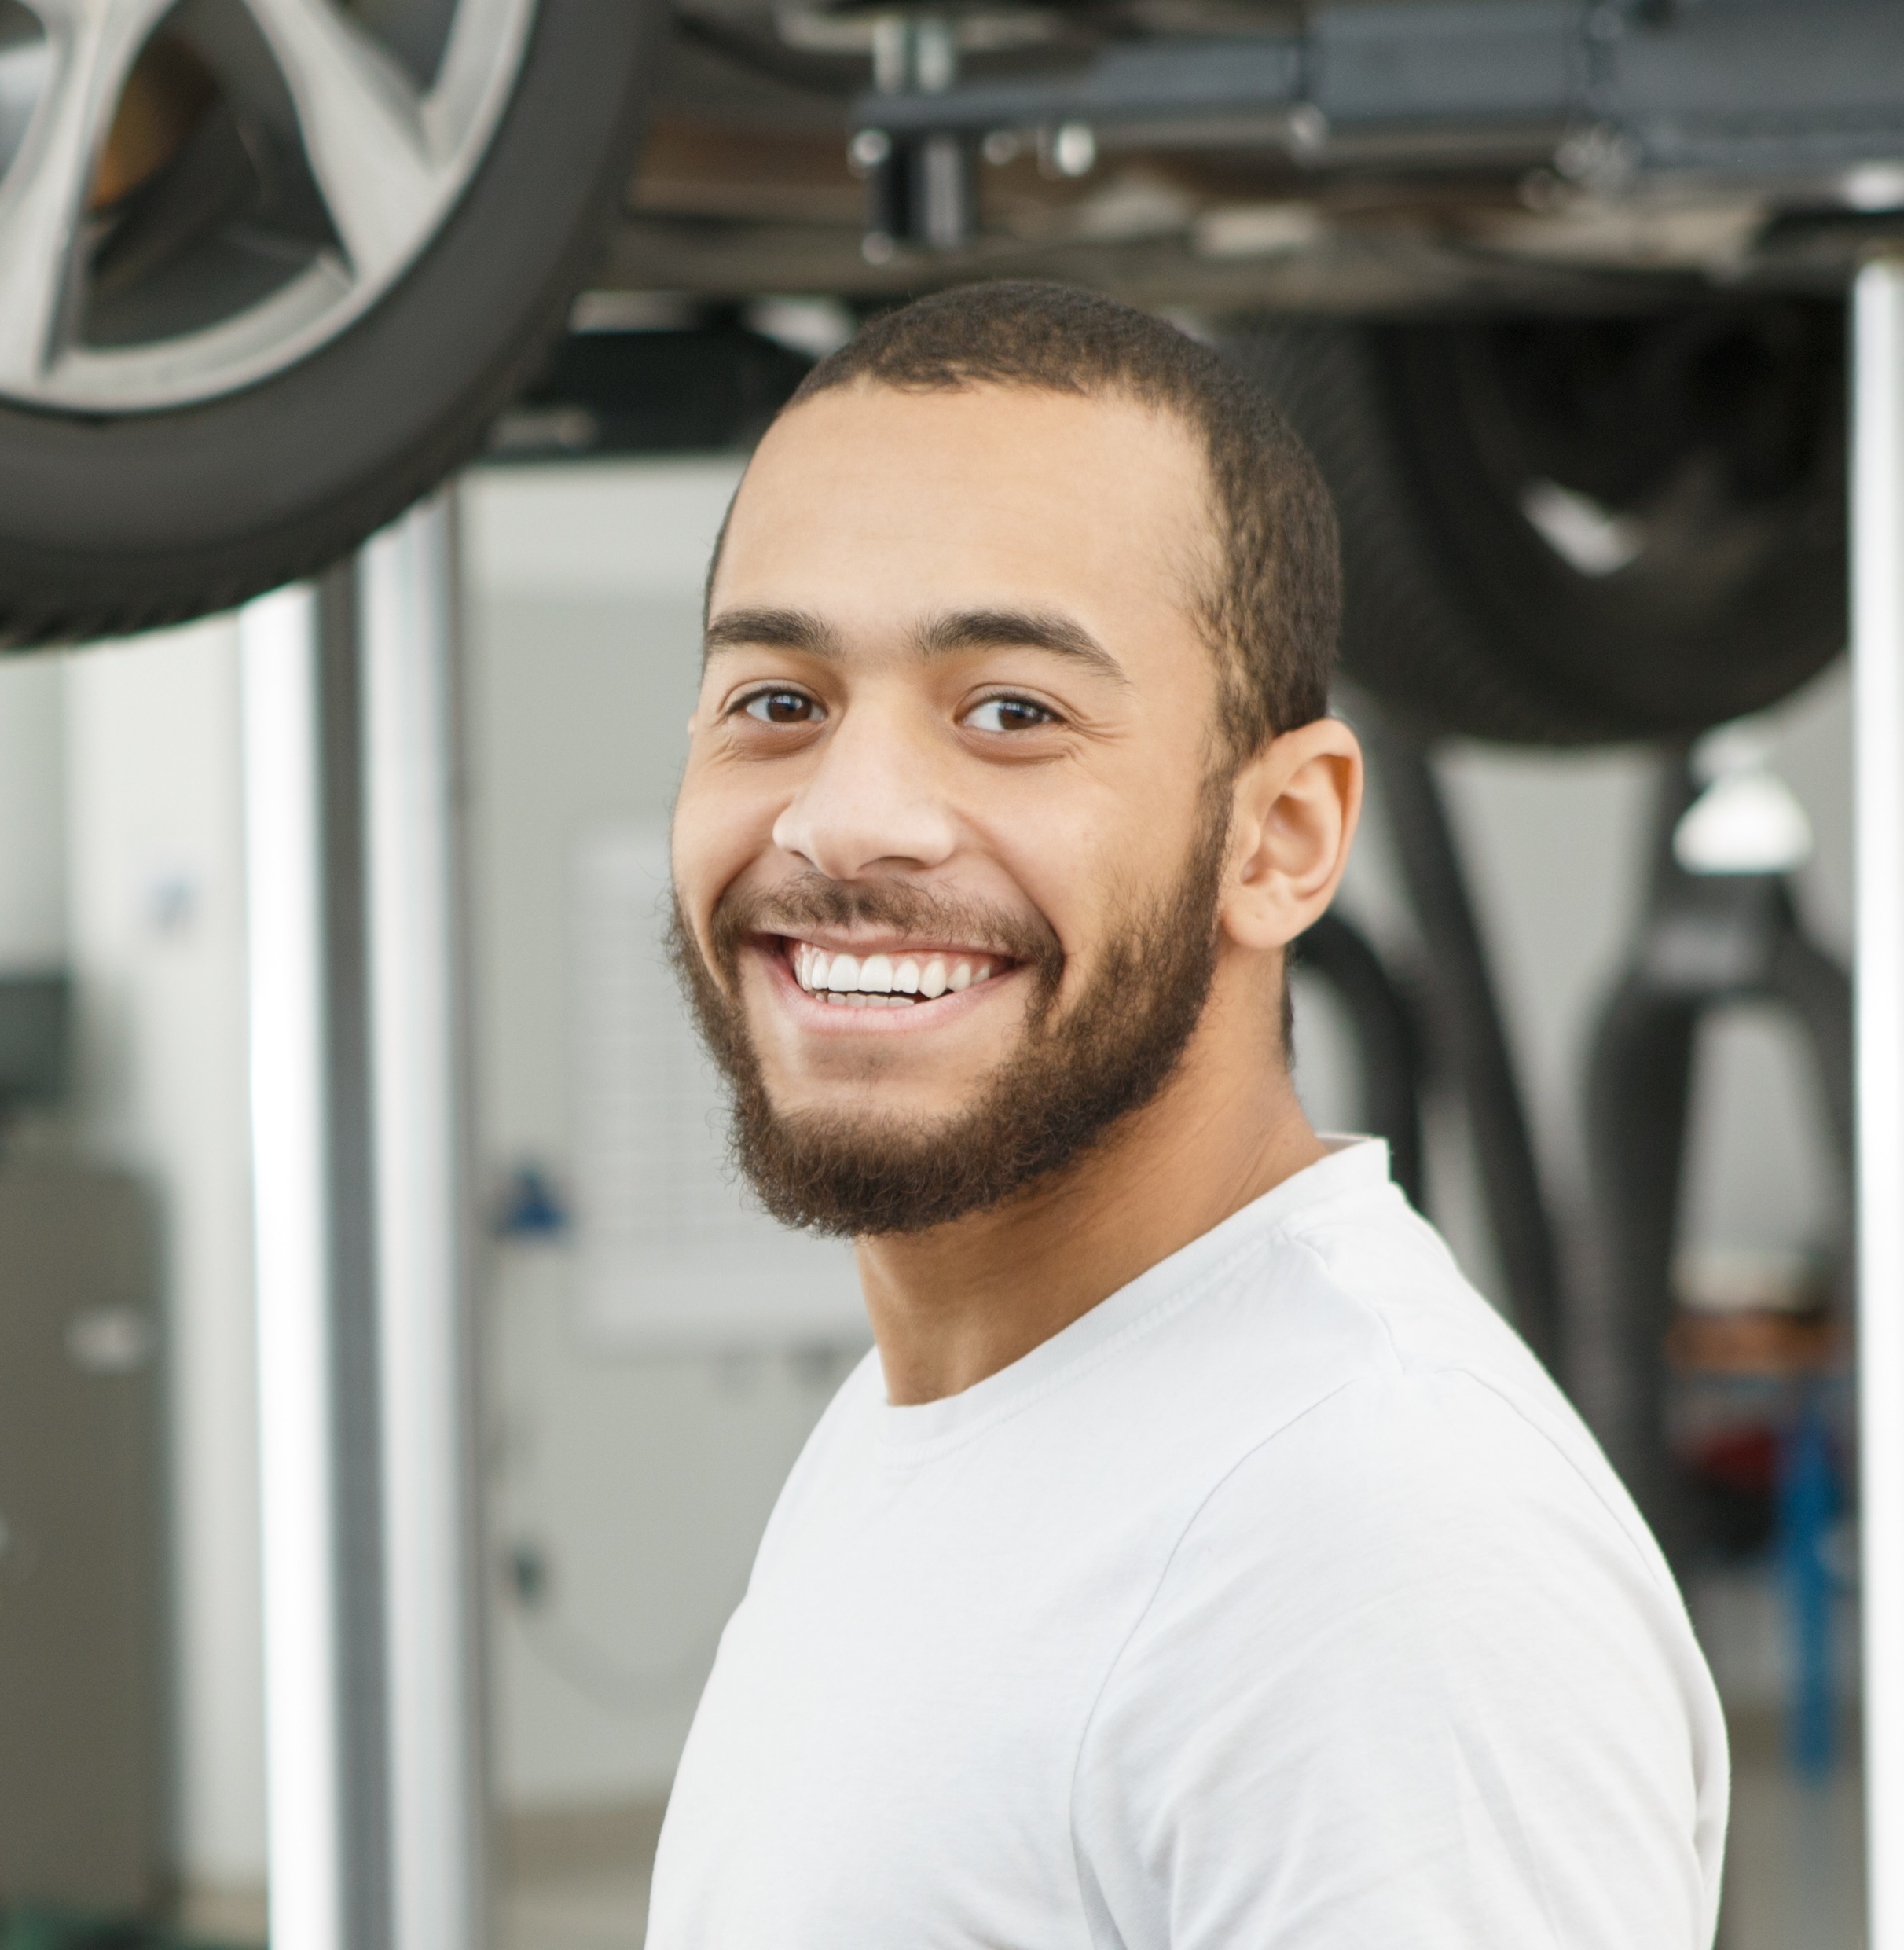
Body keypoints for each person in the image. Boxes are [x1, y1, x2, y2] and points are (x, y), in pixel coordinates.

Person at [642, 282, 1726, 1947]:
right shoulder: (948, 1405)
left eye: (1011, 710)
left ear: (1280, 835)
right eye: (776, 700)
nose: (847, 819)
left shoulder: (1366, 1550)